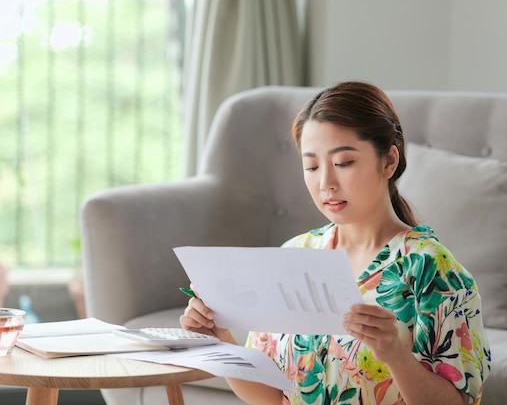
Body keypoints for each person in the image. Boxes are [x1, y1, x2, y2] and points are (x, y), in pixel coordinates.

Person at [180, 81, 491, 405]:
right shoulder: (293, 256)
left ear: (388, 162)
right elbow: (271, 398)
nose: (326, 182)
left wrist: (395, 355)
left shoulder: (431, 269)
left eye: (343, 163)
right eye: (312, 166)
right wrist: (221, 340)